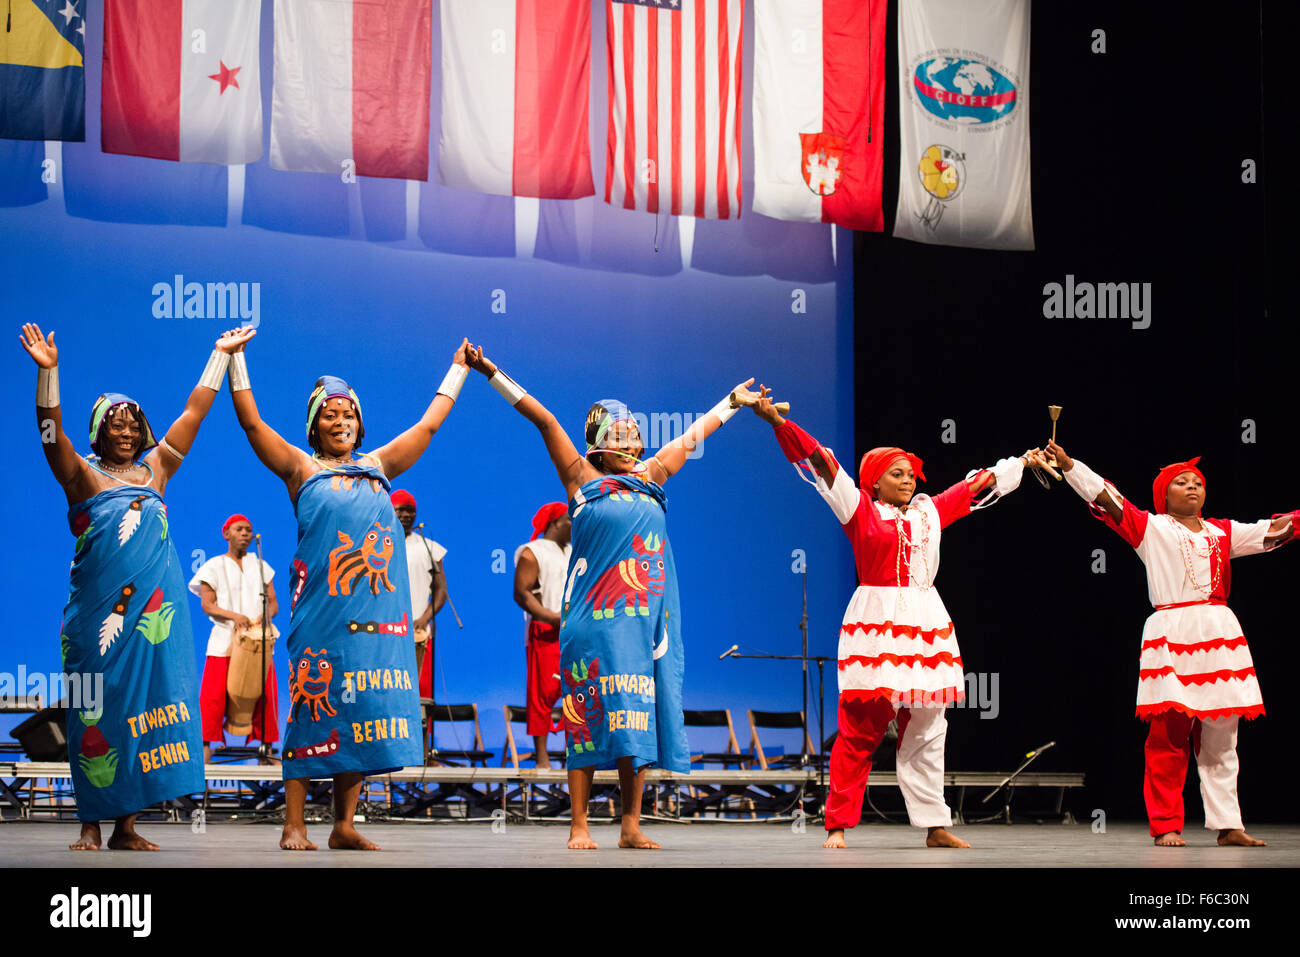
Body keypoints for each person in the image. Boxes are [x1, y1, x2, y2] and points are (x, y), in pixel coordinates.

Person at [467, 342, 757, 850]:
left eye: (636, 432)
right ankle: (579, 823)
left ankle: (630, 825)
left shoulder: (654, 477)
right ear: (598, 442)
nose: (633, 439)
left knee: (634, 726)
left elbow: (693, 437)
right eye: (620, 432)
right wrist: (490, 371)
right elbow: (543, 418)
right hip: (591, 623)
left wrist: (732, 401)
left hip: (642, 625)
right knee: (584, 719)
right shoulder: (580, 476)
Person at [752, 388, 1045, 849]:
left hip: (925, 623)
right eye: (896, 473)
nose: (907, 479)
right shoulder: (858, 508)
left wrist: (1023, 463)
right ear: (875, 482)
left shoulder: (930, 512)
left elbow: (977, 485)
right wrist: (778, 423)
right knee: (861, 725)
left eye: (911, 473)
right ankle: (837, 824)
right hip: (877, 622)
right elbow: (822, 463)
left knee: (930, 726)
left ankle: (934, 824)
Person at [226, 334, 471, 851]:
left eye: (349, 415)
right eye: (331, 416)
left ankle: (342, 825)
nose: (342, 423)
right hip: (322, 616)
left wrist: (459, 370)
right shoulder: (301, 468)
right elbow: (252, 424)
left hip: (376, 621)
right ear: (315, 424)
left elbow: (429, 425)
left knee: (361, 717)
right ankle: (294, 823)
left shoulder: (379, 466)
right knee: (314, 709)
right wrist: (235, 358)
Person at [20, 322, 251, 851]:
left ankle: (126, 827)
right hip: (89, 626)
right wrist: (48, 375)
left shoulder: (157, 472)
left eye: (133, 424)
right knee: (90, 716)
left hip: (149, 626)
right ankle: (89, 825)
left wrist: (218, 356)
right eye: (115, 425)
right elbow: (50, 435)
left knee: (142, 716)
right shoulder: (82, 476)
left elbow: (193, 414)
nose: (125, 432)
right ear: (99, 432)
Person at [1047, 439, 1295, 847]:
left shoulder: (1222, 532)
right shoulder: (1152, 528)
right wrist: (1071, 465)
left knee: (1221, 738)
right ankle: (1166, 824)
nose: (1192, 487)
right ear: (1164, 495)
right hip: (1172, 632)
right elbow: (1106, 497)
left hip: (1218, 632)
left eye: (1197, 481)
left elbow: (1275, 530)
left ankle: (1228, 824)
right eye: (1181, 482)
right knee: (1168, 737)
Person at [189, 514, 280, 763]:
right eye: (239, 529)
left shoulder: (261, 565)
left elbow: (273, 604)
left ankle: (267, 749)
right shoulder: (213, 566)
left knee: (266, 693)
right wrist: (233, 616)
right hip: (223, 641)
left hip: (257, 641)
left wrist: (264, 616)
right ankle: (206, 749)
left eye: (248, 530)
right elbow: (207, 605)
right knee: (213, 697)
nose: (245, 534)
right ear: (226, 533)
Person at [513, 502, 572, 768]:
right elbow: (522, 592)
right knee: (542, 693)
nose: (574, 524)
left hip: (574, 632)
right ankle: (542, 756)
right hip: (545, 630)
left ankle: (578, 750)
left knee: (579, 690)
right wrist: (551, 617)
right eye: (568, 519)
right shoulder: (531, 552)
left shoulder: (575, 552)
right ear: (554, 523)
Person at [391, 489, 447, 705]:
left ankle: (422, 739)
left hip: (418, 630)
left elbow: (441, 590)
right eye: (400, 510)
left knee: (420, 697)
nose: (406, 515)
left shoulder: (430, 547)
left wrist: (425, 618)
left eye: (410, 511)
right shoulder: (375, 544)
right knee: (390, 691)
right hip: (387, 630)